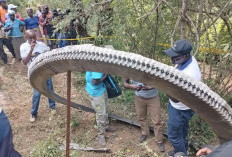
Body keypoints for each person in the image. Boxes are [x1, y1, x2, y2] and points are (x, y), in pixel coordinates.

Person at [164, 39, 202, 156]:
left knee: (173, 135)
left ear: (186, 55)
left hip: (180, 109)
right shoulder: (187, 59)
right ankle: (182, 148)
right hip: (184, 106)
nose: (172, 59)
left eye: (176, 57)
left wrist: (162, 84)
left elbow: (175, 98)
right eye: (172, 56)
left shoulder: (189, 74)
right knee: (182, 129)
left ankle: (182, 154)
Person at [20, 30, 56, 122]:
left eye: (34, 37)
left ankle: (52, 107)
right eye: (30, 38)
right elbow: (24, 62)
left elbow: (49, 53)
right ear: (26, 38)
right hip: (34, 75)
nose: (33, 40)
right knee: (37, 94)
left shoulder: (41, 45)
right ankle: (33, 113)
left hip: (45, 72)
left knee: (50, 89)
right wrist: (31, 49)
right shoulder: (23, 47)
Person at [123, 79, 165, 152]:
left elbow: (161, 81)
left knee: (157, 120)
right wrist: (130, 86)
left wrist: (152, 86)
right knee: (141, 117)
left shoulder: (152, 68)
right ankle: (144, 133)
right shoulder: (132, 69)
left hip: (153, 97)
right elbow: (125, 83)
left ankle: (159, 140)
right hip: (139, 97)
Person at [85, 71, 116, 146]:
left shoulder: (96, 61)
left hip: (101, 88)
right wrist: (105, 76)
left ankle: (106, 126)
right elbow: (95, 82)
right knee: (101, 113)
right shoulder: (96, 68)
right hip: (97, 93)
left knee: (105, 108)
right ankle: (101, 135)